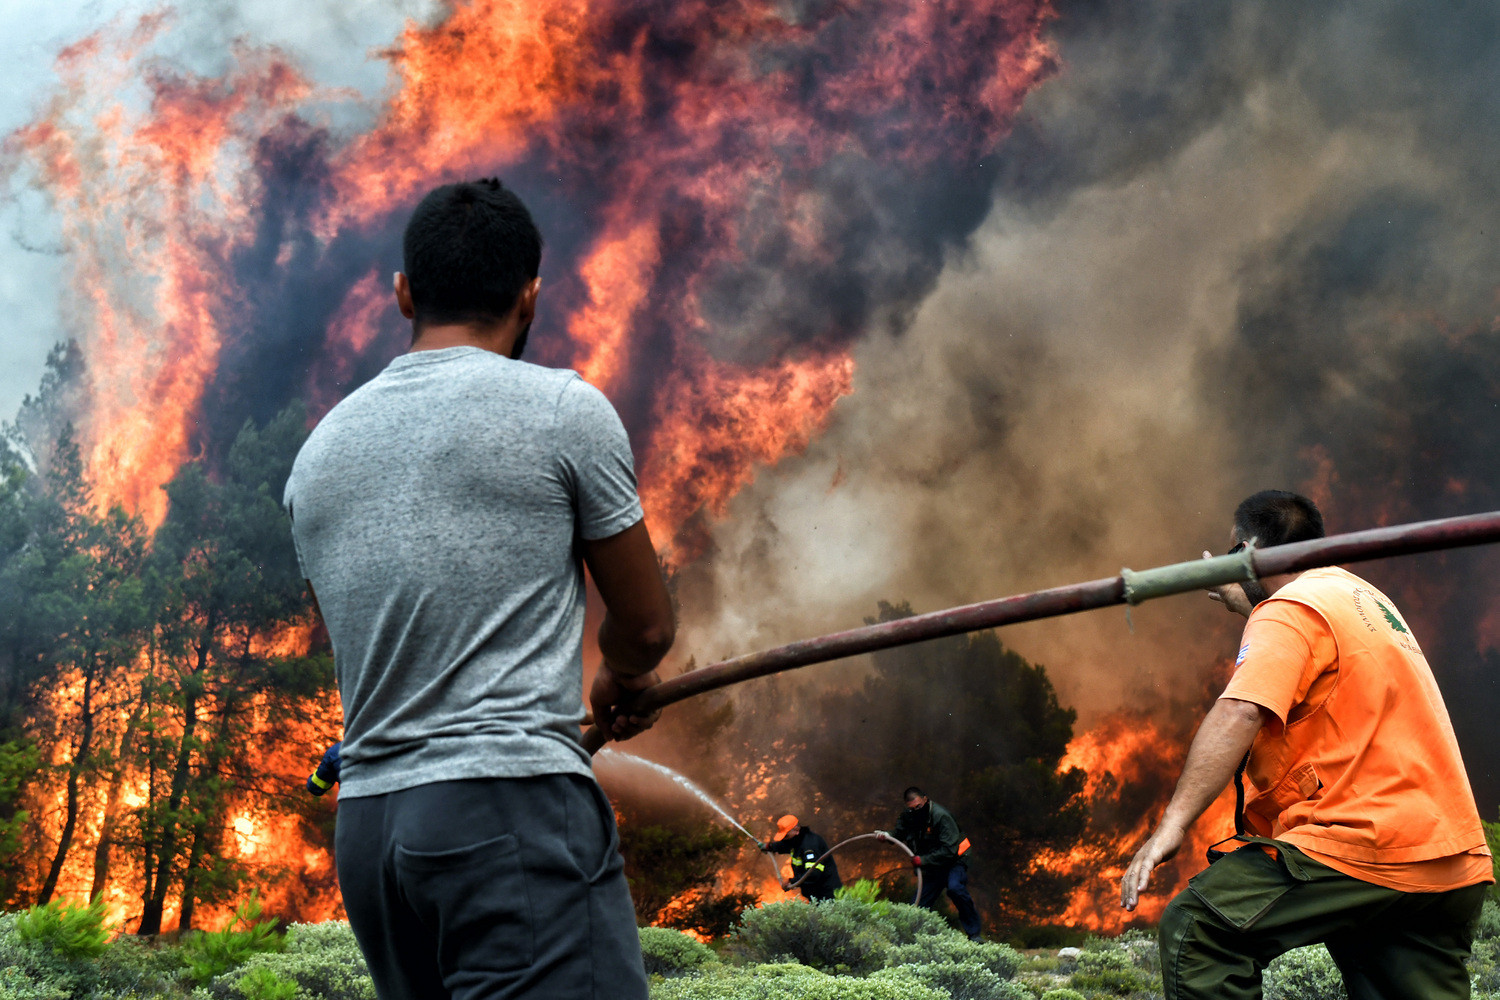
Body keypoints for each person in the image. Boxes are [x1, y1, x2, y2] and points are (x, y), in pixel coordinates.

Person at [282, 178, 676, 1000]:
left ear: (404, 294)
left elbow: (365, 634)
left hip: (373, 835)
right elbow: (645, 628)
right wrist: (622, 681)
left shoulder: (316, 456)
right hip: (506, 812)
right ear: (530, 297)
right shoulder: (564, 410)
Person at [1120, 490, 1493, 1000]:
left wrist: (1172, 826)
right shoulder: (1362, 599)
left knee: (1198, 932)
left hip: (1365, 841)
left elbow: (1241, 709)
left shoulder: (1289, 608)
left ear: (1247, 548)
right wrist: (1250, 599)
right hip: (1448, 859)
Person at [893, 787, 981, 939]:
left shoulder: (941, 816)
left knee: (955, 888)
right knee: (918, 903)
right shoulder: (909, 817)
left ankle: (974, 934)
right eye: (912, 808)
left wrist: (923, 860)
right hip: (934, 866)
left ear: (925, 800)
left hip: (955, 861)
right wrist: (885, 835)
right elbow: (897, 834)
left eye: (918, 806)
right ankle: (910, 938)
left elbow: (949, 850)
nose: (916, 810)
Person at [761, 814, 842, 901]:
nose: (784, 839)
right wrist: (770, 846)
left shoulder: (810, 845)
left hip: (827, 894)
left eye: (786, 836)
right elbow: (785, 845)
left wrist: (791, 881)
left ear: (796, 830)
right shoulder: (796, 840)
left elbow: (813, 873)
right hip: (815, 894)